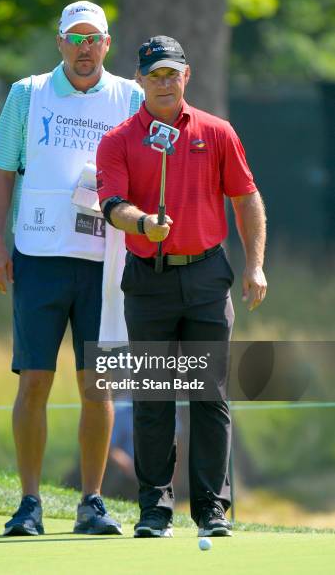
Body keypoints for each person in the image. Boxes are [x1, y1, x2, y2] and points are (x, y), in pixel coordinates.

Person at [97, 36, 267, 538]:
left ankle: (212, 509)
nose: (165, 83)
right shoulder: (119, 139)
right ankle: (154, 508)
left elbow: (246, 199)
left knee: (210, 395)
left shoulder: (217, 132)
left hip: (207, 276)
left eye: (173, 73)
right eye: (155, 75)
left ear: (186, 76)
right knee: (153, 396)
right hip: (148, 278)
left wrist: (255, 266)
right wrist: (143, 223)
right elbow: (112, 205)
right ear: (140, 81)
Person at [0, 0, 143, 537]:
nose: (82, 48)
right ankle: (29, 503)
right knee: (34, 380)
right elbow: (2, 173)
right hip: (38, 253)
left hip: (107, 262)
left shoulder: (131, 96)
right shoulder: (27, 93)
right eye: (73, 38)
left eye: (92, 38)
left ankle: (92, 503)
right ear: (59, 43)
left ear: (107, 44)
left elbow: (146, 172)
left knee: (98, 384)